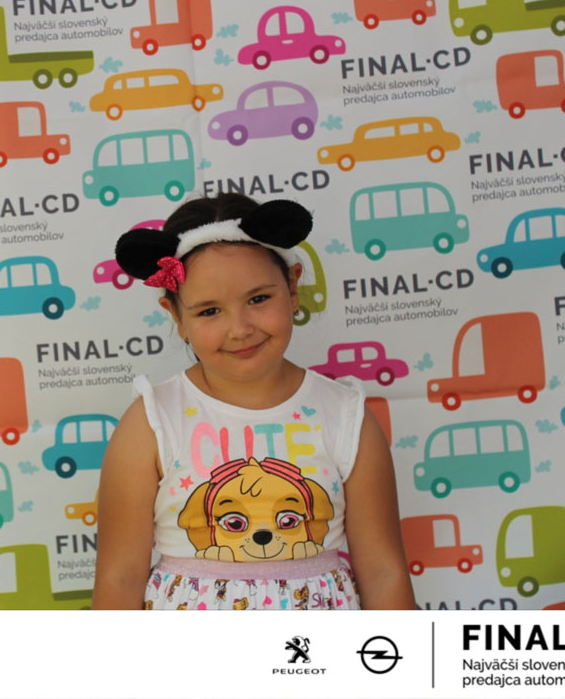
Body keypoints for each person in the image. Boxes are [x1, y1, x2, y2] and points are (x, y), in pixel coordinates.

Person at [92, 193, 415, 610]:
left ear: (293, 287)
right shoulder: (152, 421)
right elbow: (119, 577)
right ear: (176, 316)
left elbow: (384, 572)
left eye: (258, 299)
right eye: (209, 311)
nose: (240, 328)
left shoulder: (345, 415)